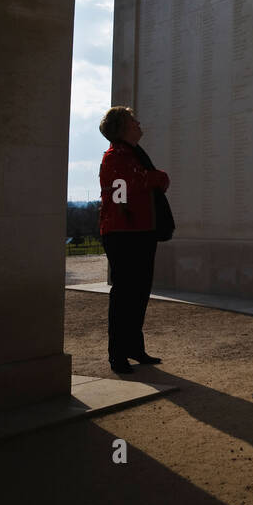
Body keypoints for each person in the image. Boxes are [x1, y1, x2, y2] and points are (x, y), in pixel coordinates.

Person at [98, 106, 170, 374]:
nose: (139, 123)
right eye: (133, 120)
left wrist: (150, 180)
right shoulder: (115, 156)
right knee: (124, 295)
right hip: (123, 234)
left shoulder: (133, 155)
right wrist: (155, 178)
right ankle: (117, 354)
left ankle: (133, 348)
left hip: (139, 231)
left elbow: (139, 183)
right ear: (123, 127)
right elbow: (123, 190)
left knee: (138, 294)